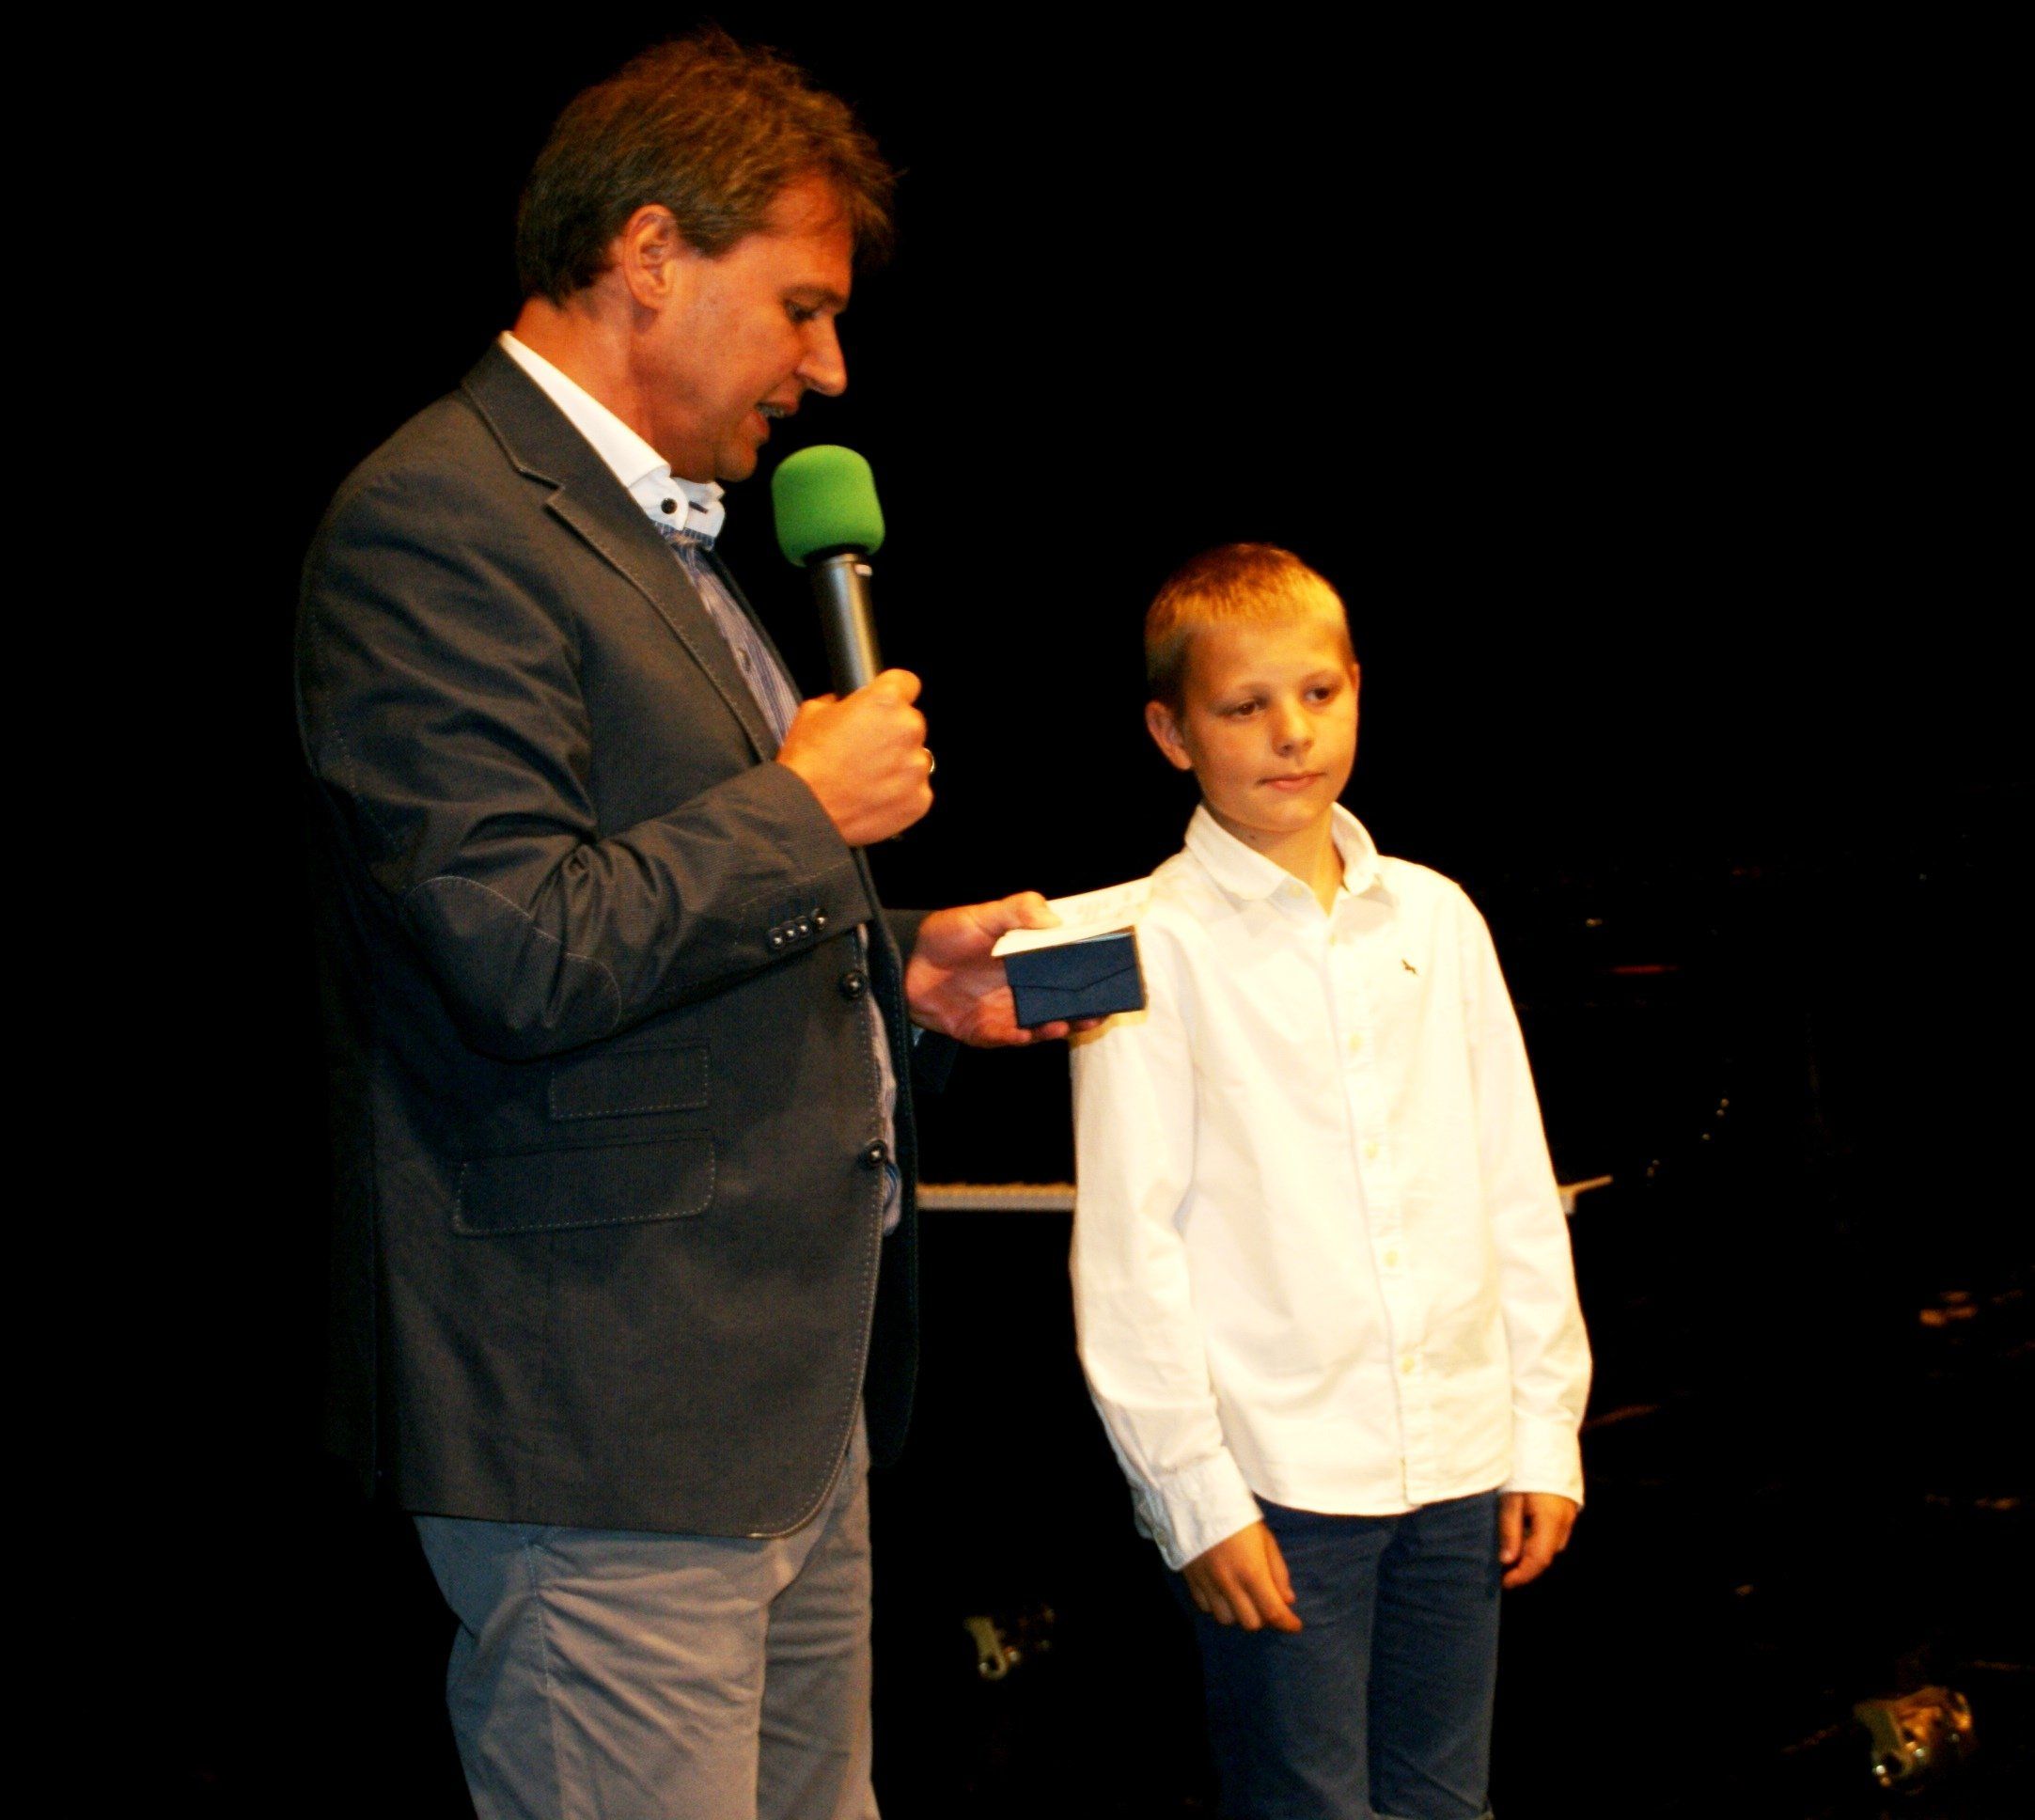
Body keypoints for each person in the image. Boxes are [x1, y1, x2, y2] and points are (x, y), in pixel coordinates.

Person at [295, 32, 1071, 1820]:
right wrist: (803, 810)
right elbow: (515, 941)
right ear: (650, 253)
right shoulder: (436, 524)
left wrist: (893, 959)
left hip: (774, 1413)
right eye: (801, 308)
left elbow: (669, 898)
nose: (830, 365)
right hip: (607, 1426)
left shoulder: (655, 538)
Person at [1070, 544, 1591, 1819]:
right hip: (1279, 1484)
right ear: (1171, 733)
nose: (1290, 733)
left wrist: (1543, 1432)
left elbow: (1515, 1189)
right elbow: (1130, 1250)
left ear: (1358, 687)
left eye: (1317, 693)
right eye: (1242, 706)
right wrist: (1193, 1497)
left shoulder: (1437, 918)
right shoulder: (1132, 942)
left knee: (1445, 1801)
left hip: (1460, 1462)